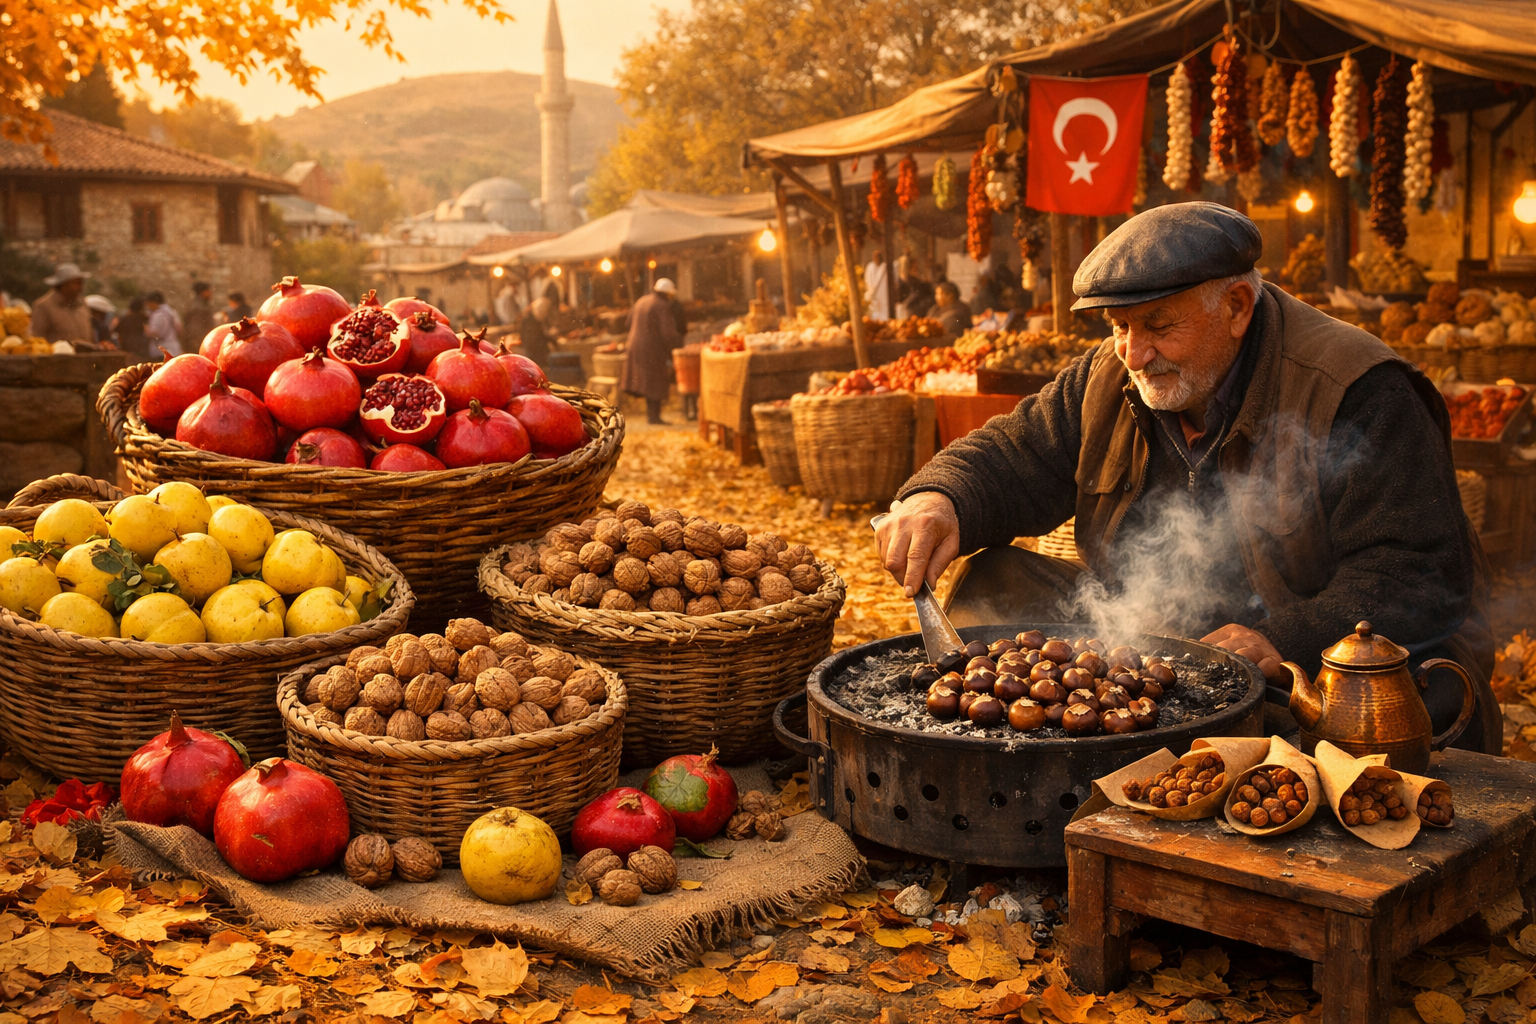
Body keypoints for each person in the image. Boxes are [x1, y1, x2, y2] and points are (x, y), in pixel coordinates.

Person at [876, 202, 1497, 754]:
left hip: (1308, 659)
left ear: (1236, 307)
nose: (1133, 352)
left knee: (1352, 727)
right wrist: (939, 497)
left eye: (1158, 325)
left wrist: (1282, 640)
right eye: (1119, 326)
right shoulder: (1111, 374)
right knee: (996, 582)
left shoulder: (1358, 390)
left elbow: (1418, 574)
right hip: (1164, 640)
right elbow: (1016, 453)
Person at [622, 278, 681, 425]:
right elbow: (667, 333)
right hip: (652, 348)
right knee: (656, 381)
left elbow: (627, 323)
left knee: (647, 382)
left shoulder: (641, 301)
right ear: (667, 294)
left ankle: (651, 416)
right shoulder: (661, 305)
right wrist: (677, 345)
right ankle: (654, 416)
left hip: (635, 346)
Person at [29, 263, 92, 344]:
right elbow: (37, 340)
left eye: (80, 283)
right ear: (64, 285)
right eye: (76, 283)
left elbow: (90, 336)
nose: (80, 287)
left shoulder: (82, 304)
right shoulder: (43, 306)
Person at [143, 291, 183, 356]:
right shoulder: (171, 311)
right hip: (174, 347)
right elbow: (179, 329)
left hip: (162, 349)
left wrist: (146, 329)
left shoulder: (158, 314)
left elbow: (155, 333)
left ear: (153, 303)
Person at [518, 296, 554, 368]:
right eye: (546, 311)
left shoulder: (535, 319)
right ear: (542, 310)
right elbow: (534, 340)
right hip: (534, 354)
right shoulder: (529, 321)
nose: (546, 314)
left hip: (537, 352)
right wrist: (549, 336)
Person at [863, 249, 891, 321]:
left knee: (884, 315)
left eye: (878, 257)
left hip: (884, 296)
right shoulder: (870, 267)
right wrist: (870, 292)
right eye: (874, 257)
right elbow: (867, 280)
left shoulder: (884, 267)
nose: (876, 259)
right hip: (873, 295)